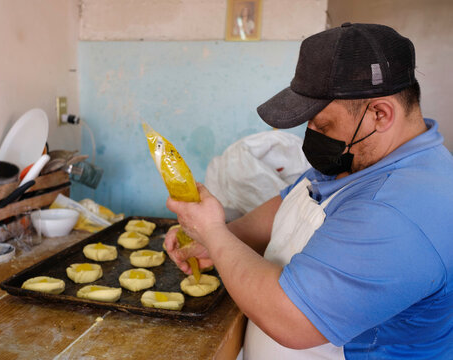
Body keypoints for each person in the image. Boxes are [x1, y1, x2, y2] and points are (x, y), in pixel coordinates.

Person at [164, 22, 453, 359]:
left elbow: (292, 319)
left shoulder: (399, 209)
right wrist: (226, 238)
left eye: (322, 123)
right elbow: (296, 201)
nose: (311, 133)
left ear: (379, 114)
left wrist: (213, 232)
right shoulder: (364, 160)